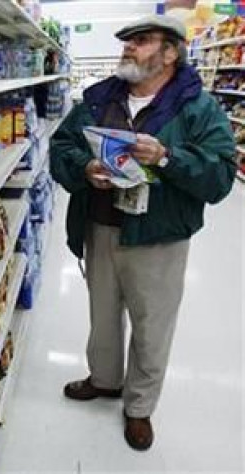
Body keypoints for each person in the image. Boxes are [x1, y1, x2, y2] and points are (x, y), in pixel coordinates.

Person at [50, 14, 236, 451]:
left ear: (170, 53)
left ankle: (138, 407)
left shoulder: (197, 108)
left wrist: (168, 158)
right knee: (103, 316)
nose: (129, 47)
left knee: (152, 326)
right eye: (127, 40)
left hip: (158, 237)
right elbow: (62, 146)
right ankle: (106, 380)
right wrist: (85, 167)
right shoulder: (98, 99)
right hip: (100, 227)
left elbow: (221, 175)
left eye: (141, 40)